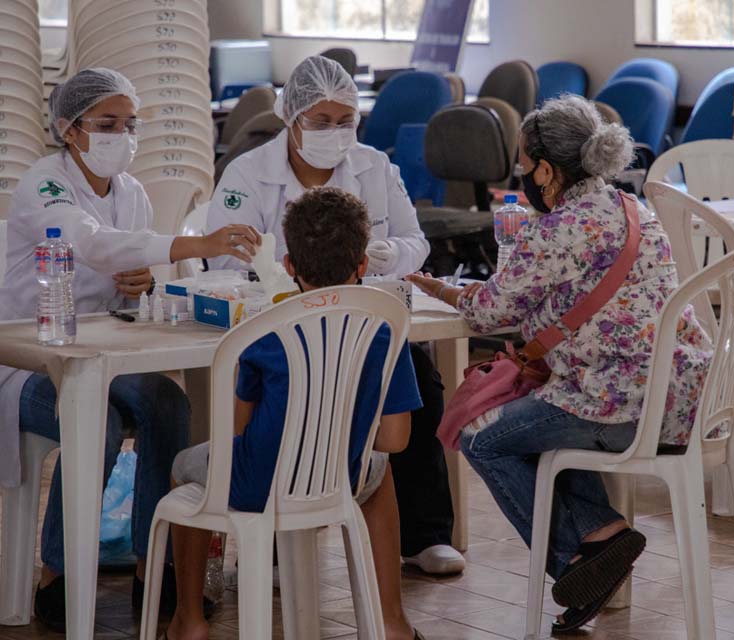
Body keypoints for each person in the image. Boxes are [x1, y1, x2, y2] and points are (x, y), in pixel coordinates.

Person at [407, 96, 713, 633]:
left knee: (481, 436)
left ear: (547, 170)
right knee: (535, 423)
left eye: (525, 165)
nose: (522, 175)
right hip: (680, 395)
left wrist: (446, 290)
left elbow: (491, 312)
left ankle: (573, 562)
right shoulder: (631, 206)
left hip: (615, 404)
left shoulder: (554, 229)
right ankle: (602, 532)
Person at [0, 68, 261, 631]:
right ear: (70, 129)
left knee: (168, 404)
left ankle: (156, 565)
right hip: (28, 358)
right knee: (97, 420)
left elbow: (127, 268)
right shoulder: (43, 183)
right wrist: (195, 244)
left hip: (102, 350)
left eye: (129, 123)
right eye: (107, 123)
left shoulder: (133, 193)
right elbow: (90, 244)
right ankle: (60, 576)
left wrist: (143, 282)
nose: (122, 134)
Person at [205, 54, 463, 575]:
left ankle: (424, 534)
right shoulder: (248, 174)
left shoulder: (375, 166)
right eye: (320, 121)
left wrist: (387, 253)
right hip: (280, 329)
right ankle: (277, 544)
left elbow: (416, 241)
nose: (334, 132)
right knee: (286, 398)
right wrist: (277, 271)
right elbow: (220, 258)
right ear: (290, 118)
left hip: (364, 324)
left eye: (344, 120)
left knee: (425, 384)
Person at [165, 187, 425, 640]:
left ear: (288, 266)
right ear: (363, 264)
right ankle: (392, 620)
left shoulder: (264, 331)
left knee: (184, 469)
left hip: (256, 485)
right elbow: (396, 440)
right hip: (339, 482)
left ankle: (190, 619)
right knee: (380, 474)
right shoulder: (384, 327)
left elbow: (240, 430)